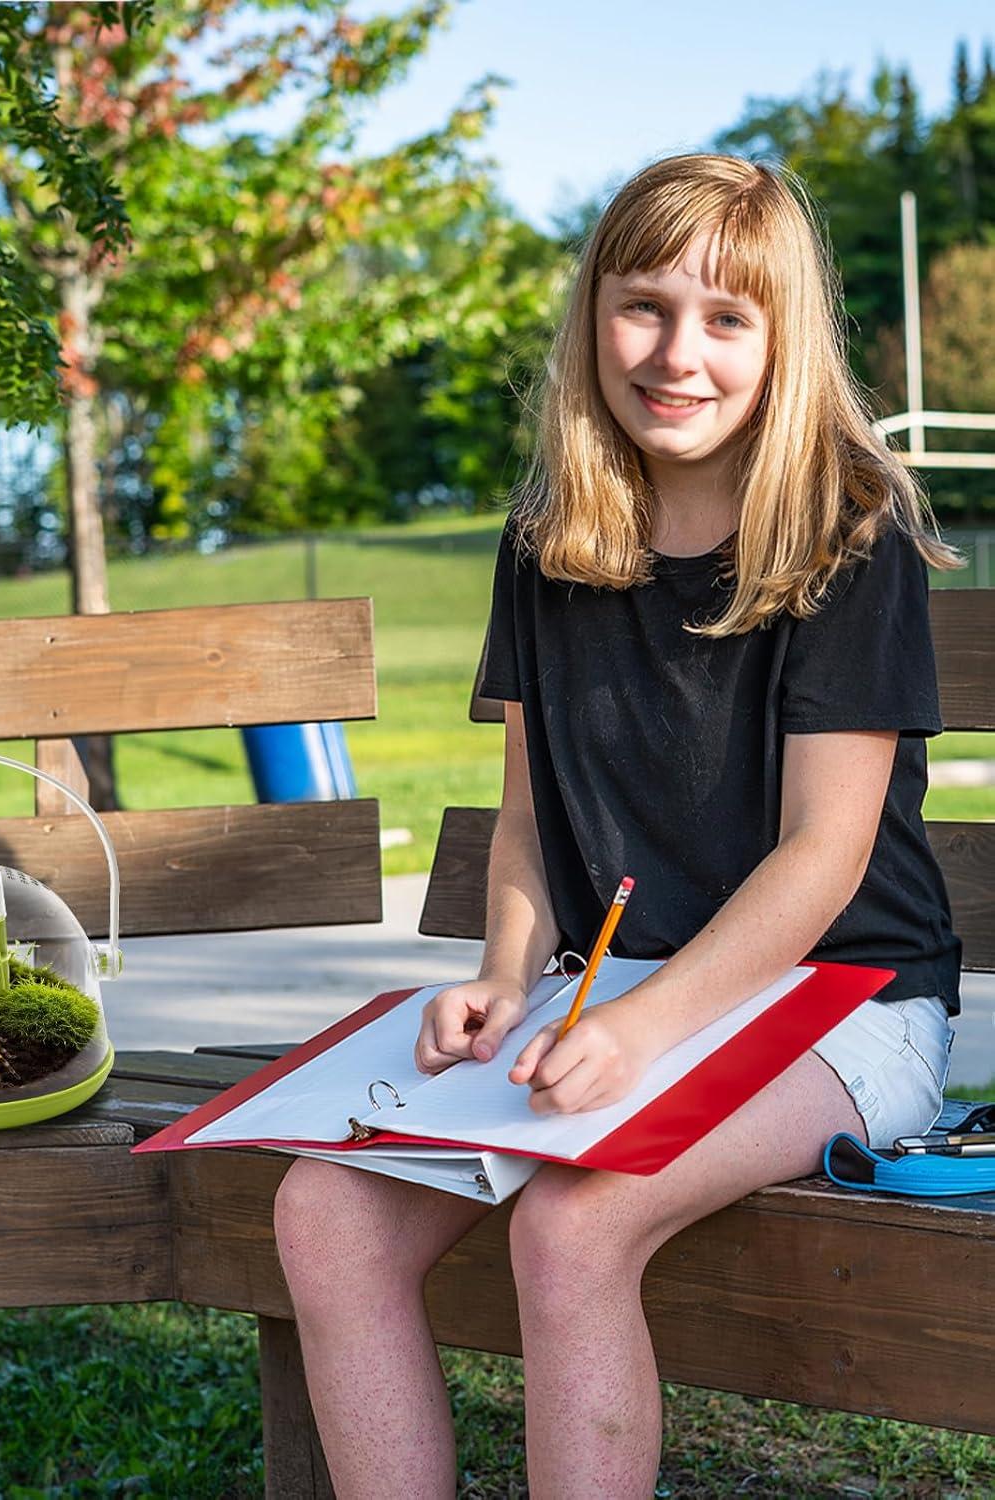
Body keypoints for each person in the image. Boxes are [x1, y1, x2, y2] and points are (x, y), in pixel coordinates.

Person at [272, 152, 964, 1499]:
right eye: (643, 306)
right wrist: (499, 979)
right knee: (327, 1211)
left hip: (841, 1001)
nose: (677, 354)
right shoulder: (552, 537)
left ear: (784, 339)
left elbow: (825, 858)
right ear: (593, 316)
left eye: (725, 319)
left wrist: (642, 1031)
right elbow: (533, 818)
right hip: (618, 994)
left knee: (575, 1221)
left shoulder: (844, 533)